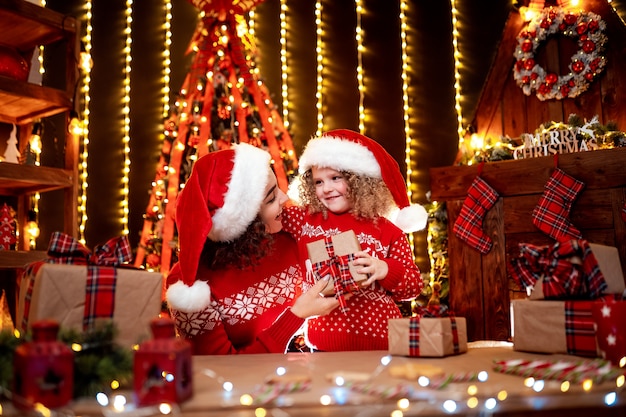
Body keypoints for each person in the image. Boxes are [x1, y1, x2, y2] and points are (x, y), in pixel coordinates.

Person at [165, 143, 341, 355]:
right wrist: (295, 317)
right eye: (271, 198)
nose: (285, 198)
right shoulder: (191, 288)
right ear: (245, 222)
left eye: (278, 189)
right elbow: (219, 368)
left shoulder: (293, 233)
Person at [283, 129, 429, 351]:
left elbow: (413, 287)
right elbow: (267, 214)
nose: (327, 189)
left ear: (359, 181)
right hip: (322, 345)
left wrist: (384, 270)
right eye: (318, 182)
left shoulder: (387, 231)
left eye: (335, 178)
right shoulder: (304, 221)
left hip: (381, 344)